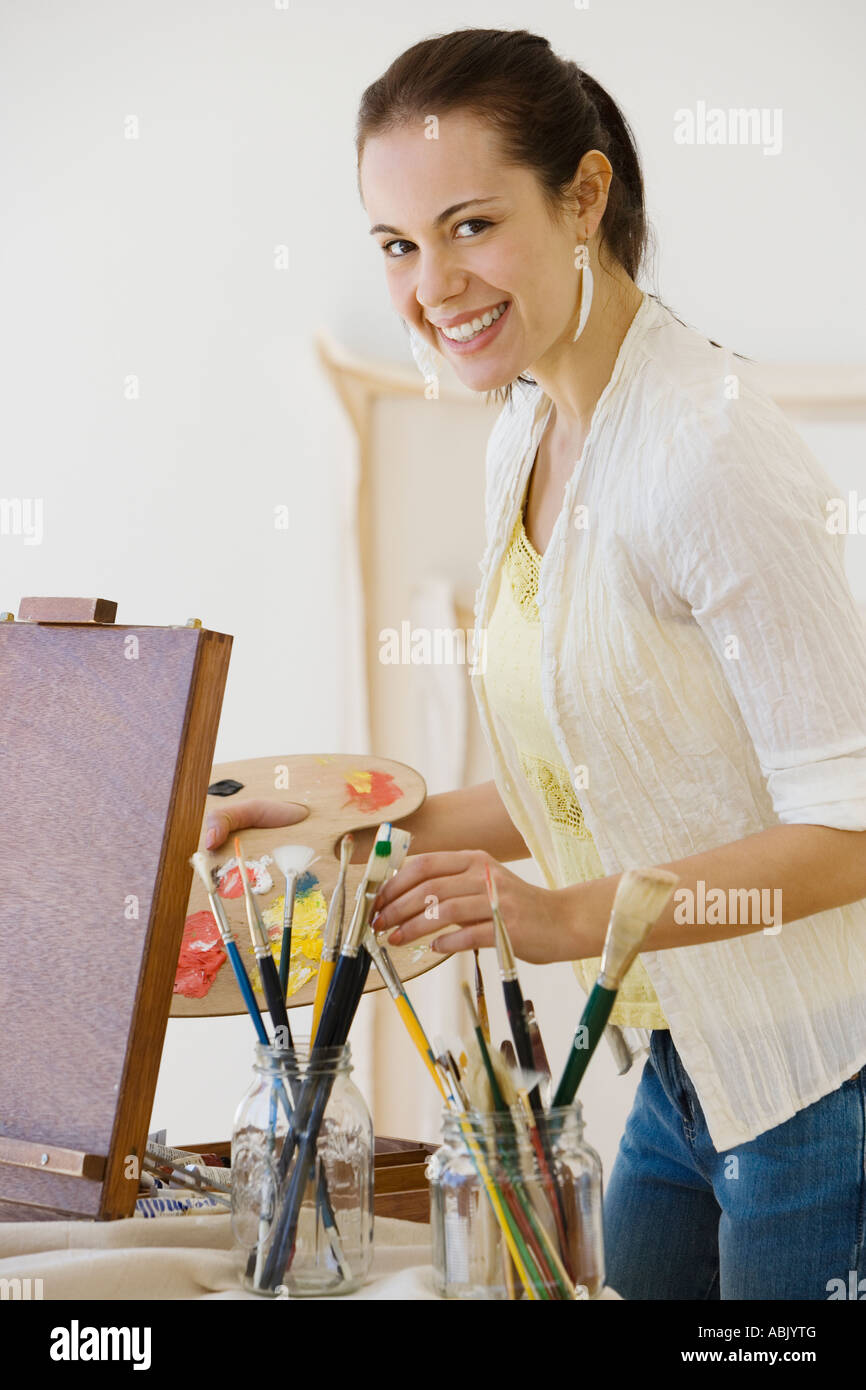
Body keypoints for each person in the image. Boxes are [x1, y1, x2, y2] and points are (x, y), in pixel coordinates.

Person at [208, 29, 866, 1300]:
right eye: (398, 245)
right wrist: (368, 837)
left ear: (582, 196)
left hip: (819, 1077)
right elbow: (609, 768)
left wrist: (568, 916)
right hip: (685, 1071)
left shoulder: (708, 452)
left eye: (468, 225)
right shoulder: (528, 426)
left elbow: (849, 829)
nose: (431, 285)